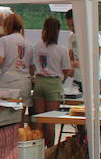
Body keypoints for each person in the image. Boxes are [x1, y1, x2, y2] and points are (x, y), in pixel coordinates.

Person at [30, 16, 73, 145]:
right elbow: (67, 70)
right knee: (50, 121)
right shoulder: (61, 50)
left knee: (39, 120)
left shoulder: (37, 46)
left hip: (39, 81)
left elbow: (31, 66)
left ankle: (37, 149)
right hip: (54, 83)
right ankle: (50, 150)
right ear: (58, 31)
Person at [0, 12, 31, 109]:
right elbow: (32, 66)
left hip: (9, 82)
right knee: (21, 113)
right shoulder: (28, 43)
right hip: (25, 81)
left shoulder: (4, 40)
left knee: (8, 116)